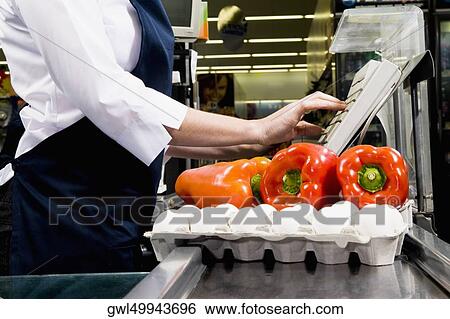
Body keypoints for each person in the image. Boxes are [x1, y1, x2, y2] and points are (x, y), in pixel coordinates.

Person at [0, 0, 345, 275]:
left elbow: (137, 130)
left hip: (118, 205)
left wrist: (252, 144)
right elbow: (106, 96)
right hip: (63, 202)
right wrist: (256, 129)